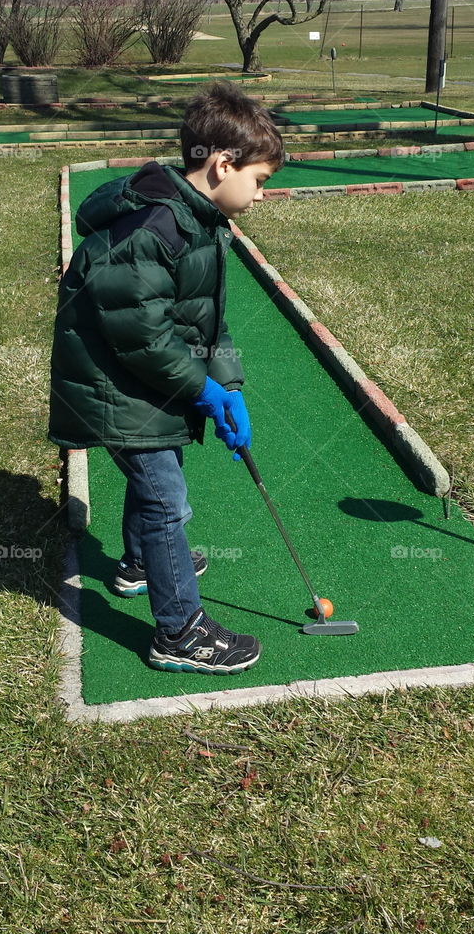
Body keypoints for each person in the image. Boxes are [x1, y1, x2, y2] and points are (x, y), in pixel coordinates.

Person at [49, 81, 285, 674]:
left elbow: (205, 320)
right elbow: (143, 338)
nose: (261, 196)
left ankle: (137, 564)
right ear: (222, 163)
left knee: (159, 476)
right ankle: (178, 632)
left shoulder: (201, 221)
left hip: (139, 376)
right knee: (165, 501)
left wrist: (227, 385)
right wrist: (200, 389)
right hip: (115, 381)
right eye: (259, 181)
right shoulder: (156, 228)